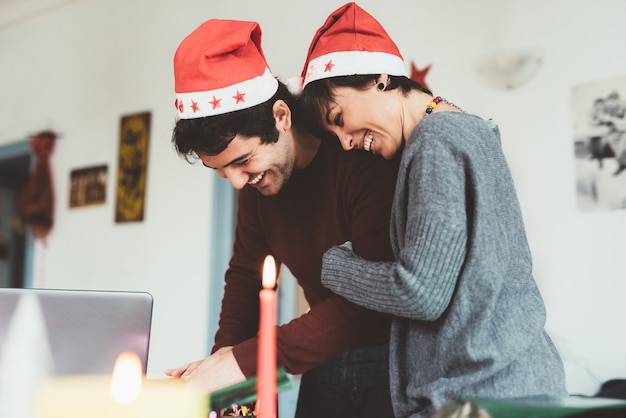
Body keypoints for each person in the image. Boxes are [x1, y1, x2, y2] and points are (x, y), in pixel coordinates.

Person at [298, 3, 568, 418]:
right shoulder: (471, 130)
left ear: (380, 78)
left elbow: (419, 292)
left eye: (340, 117)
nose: (346, 142)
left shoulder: (436, 142)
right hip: (510, 384)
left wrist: (335, 264)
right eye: (334, 135)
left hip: (480, 394)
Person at [165, 18, 400, 418]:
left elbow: (370, 302)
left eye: (242, 161)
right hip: (322, 365)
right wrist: (224, 369)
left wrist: (245, 360)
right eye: (222, 172)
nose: (238, 183)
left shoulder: (358, 152)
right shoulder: (257, 186)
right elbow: (244, 275)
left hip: (397, 364)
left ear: (281, 116)